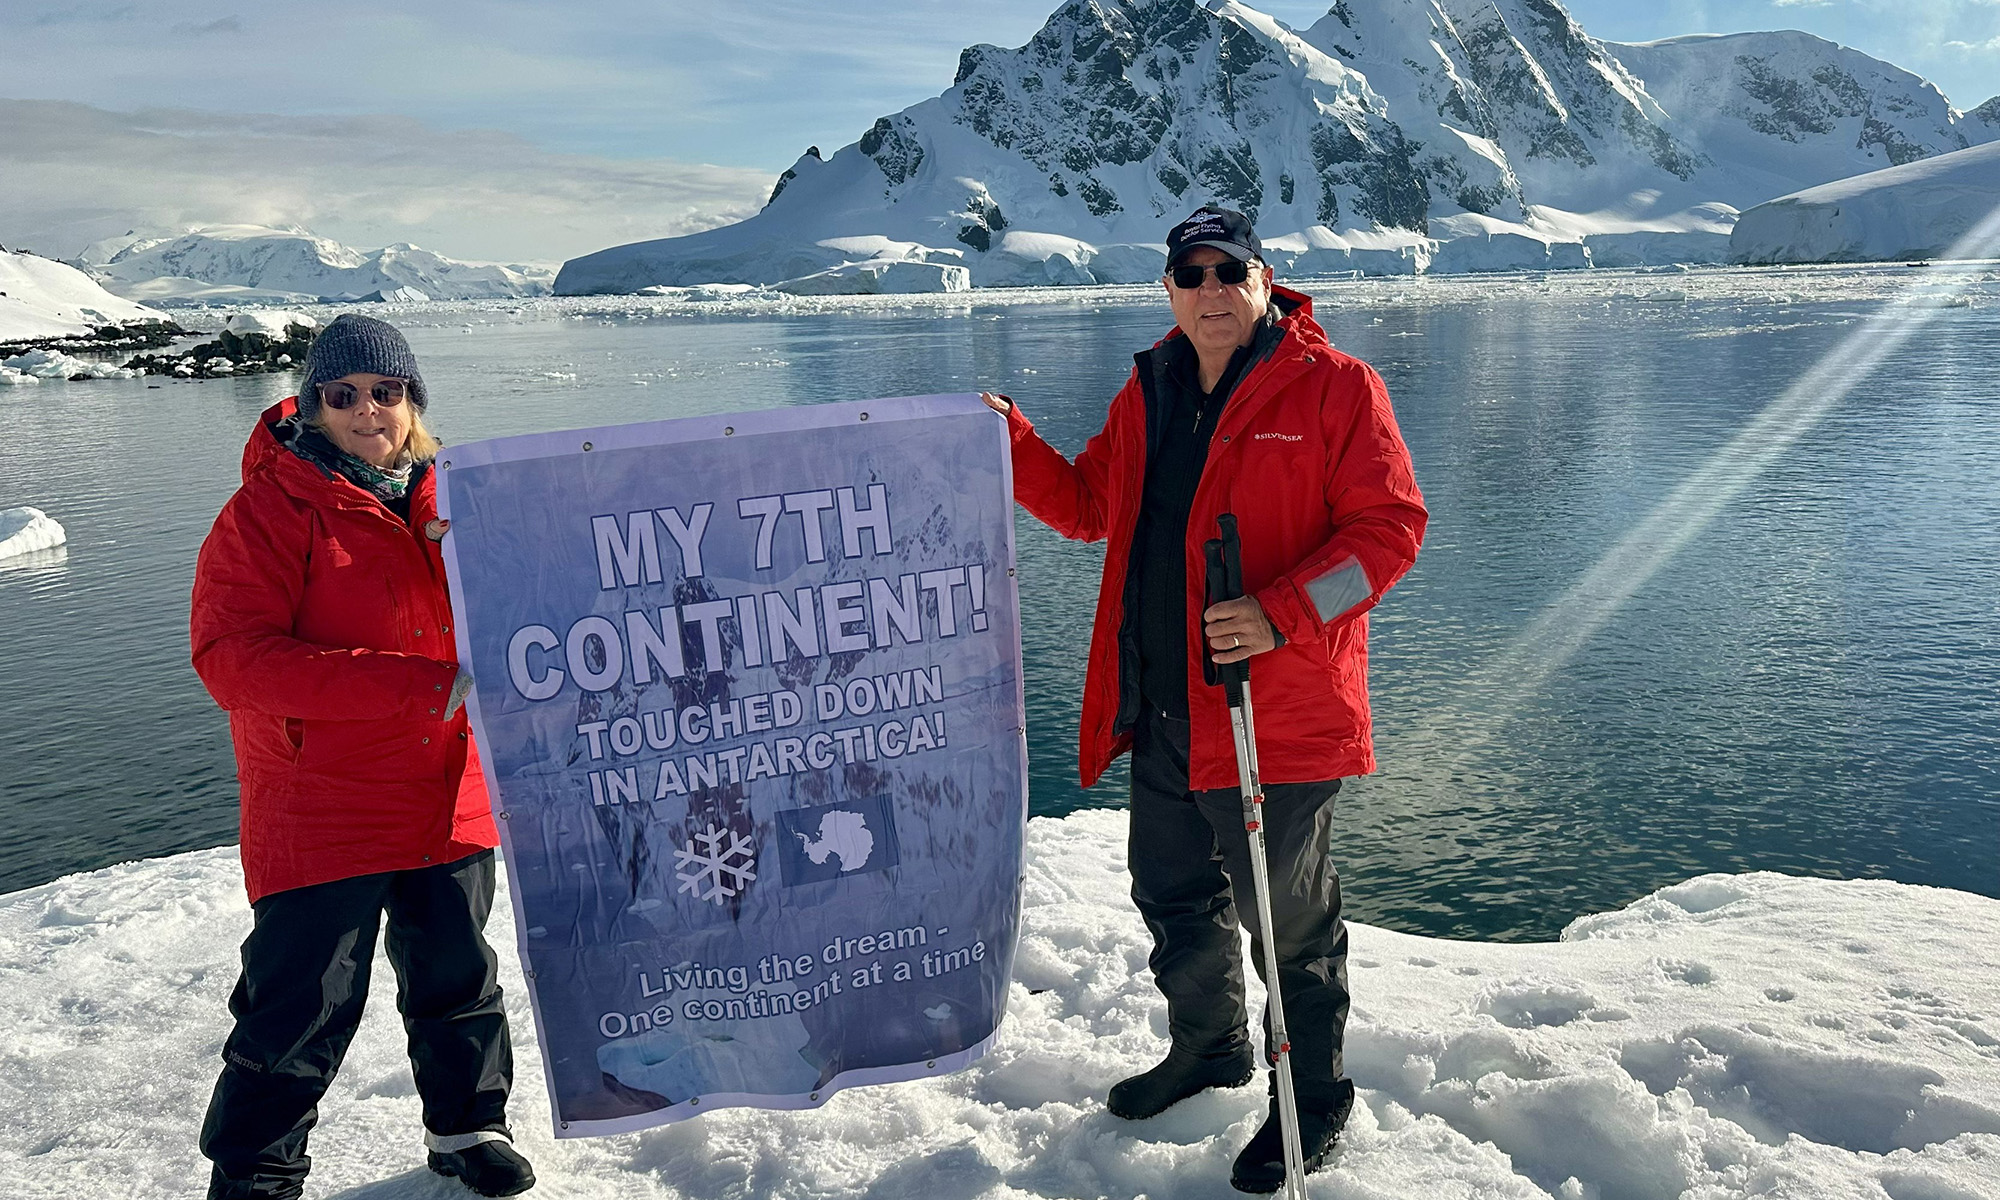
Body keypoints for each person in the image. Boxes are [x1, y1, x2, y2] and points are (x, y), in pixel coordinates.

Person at [987, 206, 1426, 1192]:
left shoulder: (1334, 387)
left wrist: (1279, 613)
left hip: (1273, 716)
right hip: (1164, 708)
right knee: (1172, 893)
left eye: (1229, 270)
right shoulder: (1148, 390)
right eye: (1190, 274)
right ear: (1168, 291)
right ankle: (1211, 1047)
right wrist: (1005, 440)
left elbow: (1388, 533)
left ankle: (1313, 1097)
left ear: (1265, 282)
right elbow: (1088, 507)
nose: (1210, 290)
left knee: (1288, 924)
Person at [190, 314, 534, 1200]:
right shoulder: (270, 510)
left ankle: (468, 1129)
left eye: (386, 391)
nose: (366, 410)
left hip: (447, 787)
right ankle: (255, 1176)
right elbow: (231, 658)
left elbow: (534, 599)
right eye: (342, 395)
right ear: (313, 404)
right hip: (325, 802)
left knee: (459, 977)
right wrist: (408, 685)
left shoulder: (459, 498)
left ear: (413, 400)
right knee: (299, 1005)